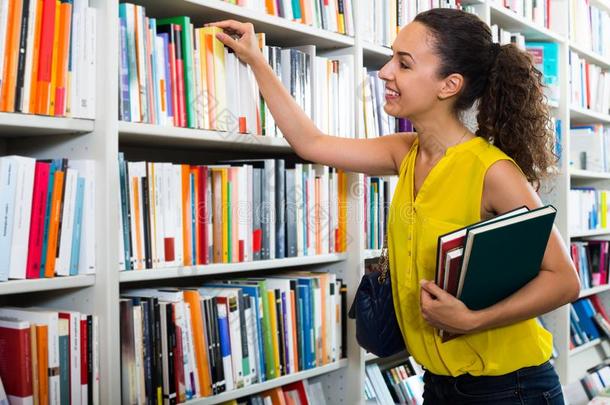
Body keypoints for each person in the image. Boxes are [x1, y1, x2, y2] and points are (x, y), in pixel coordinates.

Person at [208, 8, 580, 404]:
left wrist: (473, 320)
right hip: (438, 385)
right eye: (391, 58)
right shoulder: (404, 152)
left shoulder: (494, 172)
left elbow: (564, 280)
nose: (385, 72)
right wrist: (255, 59)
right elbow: (311, 143)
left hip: (511, 388)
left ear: (449, 85)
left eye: (403, 63)